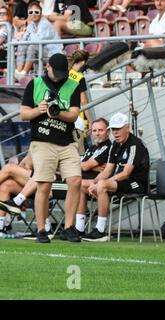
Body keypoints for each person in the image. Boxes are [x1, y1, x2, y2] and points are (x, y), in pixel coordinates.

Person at [20, 52, 82, 243]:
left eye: (64, 72)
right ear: (48, 67)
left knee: (75, 181)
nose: (60, 76)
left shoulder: (73, 85)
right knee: (44, 184)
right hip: (42, 141)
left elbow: (73, 115)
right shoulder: (35, 83)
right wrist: (40, 109)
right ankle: (41, 229)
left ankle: (69, 227)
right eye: (57, 72)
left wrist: (57, 113)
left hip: (66, 141)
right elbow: (24, 114)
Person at [82, 112, 150, 242]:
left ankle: (100, 231)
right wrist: (94, 182)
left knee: (102, 185)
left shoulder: (135, 144)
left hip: (136, 184)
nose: (115, 132)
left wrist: (100, 183)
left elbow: (126, 174)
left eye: (118, 129)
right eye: (113, 129)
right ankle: (79, 228)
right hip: (121, 182)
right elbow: (107, 171)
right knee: (82, 184)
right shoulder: (114, 145)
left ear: (127, 128)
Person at [75, 117, 112, 235]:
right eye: (94, 130)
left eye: (100, 130)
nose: (97, 133)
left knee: (77, 184)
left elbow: (84, 166)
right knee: (77, 184)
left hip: (100, 183)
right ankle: (79, 228)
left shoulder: (107, 147)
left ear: (108, 132)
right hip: (85, 181)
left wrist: (87, 165)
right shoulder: (92, 148)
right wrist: (93, 166)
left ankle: (99, 229)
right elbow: (78, 164)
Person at [15, 1, 63, 77]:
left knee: (32, 46)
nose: (33, 14)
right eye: (31, 12)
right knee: (21, 45)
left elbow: (37, 40)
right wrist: (22, 40)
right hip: (40, 51)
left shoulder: (45, 24)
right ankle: (18, 71)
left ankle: (24, 73)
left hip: (53, 54)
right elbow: (24, 39)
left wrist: (27, 39)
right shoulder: (31, 25)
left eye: (36, 12)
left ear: (41, 13)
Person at [68, 49, 92, 155]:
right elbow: (83, 101)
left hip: (64, 116)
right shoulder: (79, 77)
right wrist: (91, 121)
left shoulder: (65, 73)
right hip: (78, 119)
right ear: (83, 62)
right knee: (81, 152)